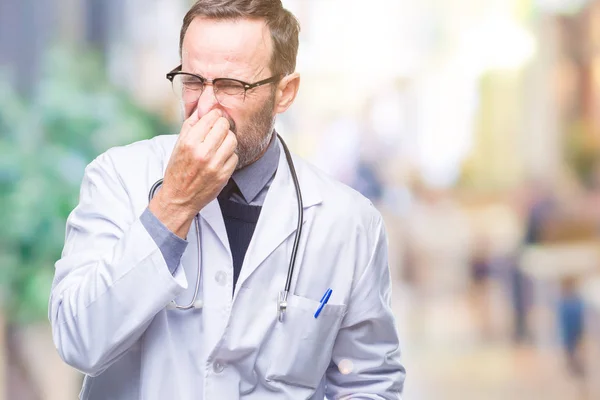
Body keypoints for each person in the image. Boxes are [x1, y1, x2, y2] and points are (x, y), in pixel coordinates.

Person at [48, 1, 405, 399]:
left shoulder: (349, 222)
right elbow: (78, 341)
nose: (204, 107)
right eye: (193, 81)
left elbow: (367, 382)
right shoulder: (118, 179)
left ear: (284, 93)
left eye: (231, 86)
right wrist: (175, 204)